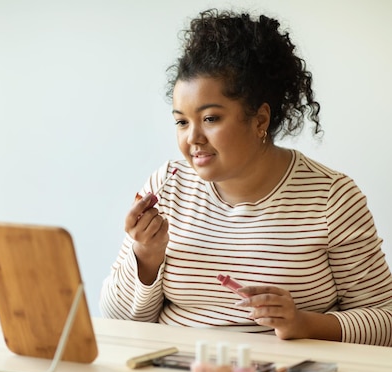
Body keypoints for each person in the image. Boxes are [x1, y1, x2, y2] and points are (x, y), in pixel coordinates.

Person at [99, 9, 392, 346]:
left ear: (259, 119)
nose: (192, 138)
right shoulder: (167, 185)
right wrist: (145, 255)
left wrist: (304, 324)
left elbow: (385, 320)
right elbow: (117, 319)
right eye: (181, 122)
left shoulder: (331, 198)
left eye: (210, 118)